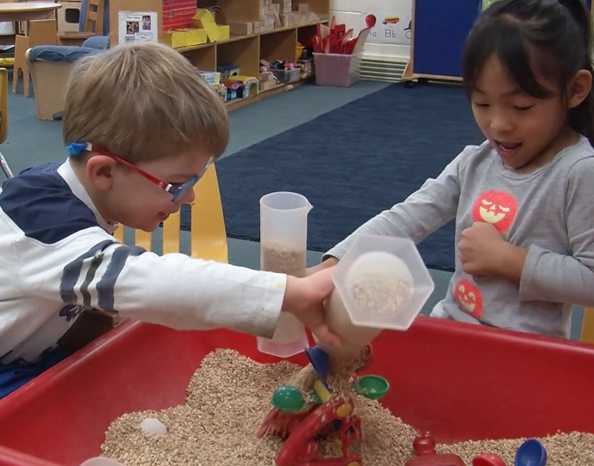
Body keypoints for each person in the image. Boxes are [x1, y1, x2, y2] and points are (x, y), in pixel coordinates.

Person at [0, 41, 340, 399]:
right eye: (177, 185)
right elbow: (152, 281)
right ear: (103, 173)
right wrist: (288, 292)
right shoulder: (41, 227)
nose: (189, 198)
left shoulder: (69, 191)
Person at [309, 0, 594, 339]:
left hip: (524, 351)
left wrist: (511, 261)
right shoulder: (476, 160)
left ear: (575, 90)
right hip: (453, 328)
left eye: (521, 107)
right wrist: (335, 264)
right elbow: (407, 217)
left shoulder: (578, 173)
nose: (498, 125)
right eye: (482, 103)